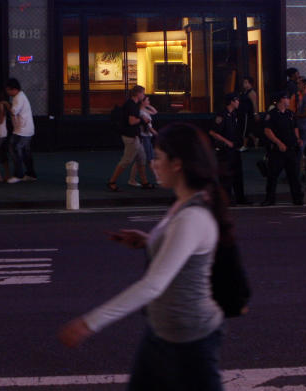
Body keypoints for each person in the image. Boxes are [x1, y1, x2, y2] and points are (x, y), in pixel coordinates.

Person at [58, 123, 229, 390]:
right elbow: (182, 252)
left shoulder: (192, 216)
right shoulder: (182, 204)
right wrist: (150, 241)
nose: (153, 163)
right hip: (162, 333)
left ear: (177, 164)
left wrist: (89, 323)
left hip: (191, 338)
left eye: (159, 157)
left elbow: (153, 284)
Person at [261, 92, 303, 206]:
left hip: (291, 149)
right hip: (277, 151)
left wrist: (298, 139)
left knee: (294, 175)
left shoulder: (290, 114)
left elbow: (295, 127)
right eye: (287, 98)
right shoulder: (272, 114)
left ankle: (297, 198)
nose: (289, 100)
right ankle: (270, 198)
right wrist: (278, 143)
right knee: (272, 175)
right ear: (281, 100)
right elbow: (267, 131)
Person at [209, 92, 248, 204]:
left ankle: (240, 198)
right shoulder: (222, 115)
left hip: (235, 149)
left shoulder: (234, 114)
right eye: (236, 100)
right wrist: (226, 142)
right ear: (231, 101)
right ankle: (227, 199)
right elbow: (213, 132)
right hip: (225, 151)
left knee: (237, 175)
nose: (238, 102)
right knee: (226, 176)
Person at [108, 85, 148, 192]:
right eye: (143, 93)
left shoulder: (132, 104)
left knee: (142, 158)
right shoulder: (131, 106)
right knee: (127, 160)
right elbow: (132, 121)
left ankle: (145, 182)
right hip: (131, 137)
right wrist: (142, 119)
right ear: (138, 94)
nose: (144, 96)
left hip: (135, 136)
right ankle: (112, 181)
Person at [5, 78, 37, 184]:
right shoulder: (20, 96)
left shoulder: (18, 98)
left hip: (22, 130)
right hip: (25, 129)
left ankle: (19, 174)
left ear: (13, 89)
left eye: (8, 90)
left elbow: (13, 111)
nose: (7, 92)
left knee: (15, 149)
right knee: (25, 152)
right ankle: (30, 174)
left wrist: (6, 105)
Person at [135, 95, 159, 188]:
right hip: (145, 136)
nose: (149, 102)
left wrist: (147, 105)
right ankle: (157, 177)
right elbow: (147, 126)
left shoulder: (144, 110)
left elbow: (155, 111)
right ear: (142, 102)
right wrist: (155, 132)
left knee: (141, 159)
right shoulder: (141, 112)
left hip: (148, 136)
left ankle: (132, 179)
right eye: (147, 100)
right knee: (150, 158)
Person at [238, 76, 258, 150]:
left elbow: (254, 104)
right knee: (246, 129)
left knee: (245, 129)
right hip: (242, 113)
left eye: (246, 82)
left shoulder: (252, 92)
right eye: (244, 82)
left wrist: (255, 113)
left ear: (250, 84)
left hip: (248, 114)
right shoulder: (244, 92)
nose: (244, 84)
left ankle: (245, 145)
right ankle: (255, 139)